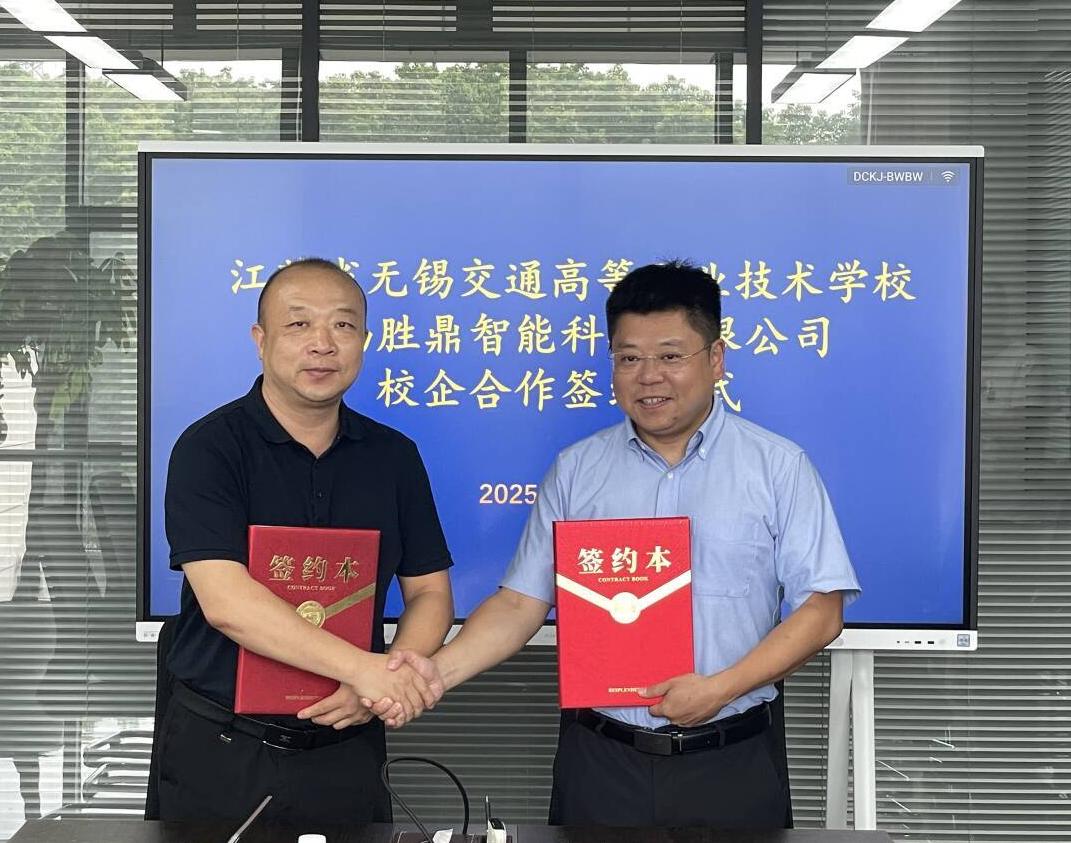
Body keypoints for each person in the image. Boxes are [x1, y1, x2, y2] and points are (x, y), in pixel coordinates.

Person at [388, 260, 860, 828]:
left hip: (731, 759)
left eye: (670, 356)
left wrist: (718, 690)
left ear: (715, 359)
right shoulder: (577, 471)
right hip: (601, 760)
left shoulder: (778, 467)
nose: (649, 376)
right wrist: (432, 674)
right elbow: (519, 604)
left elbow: (821, 610)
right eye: (629, 358)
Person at [154, 258, 453, 826]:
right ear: (260, 340)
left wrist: (385, 679)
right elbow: (227, 603)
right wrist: (365, 670)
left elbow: (430, 593)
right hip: (223, 749)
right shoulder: (208, 448)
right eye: (298, 324)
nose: (323, 343)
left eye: (343, 325)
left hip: (348, 747)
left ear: (364, 341)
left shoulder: (394, 457)